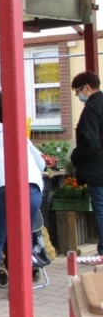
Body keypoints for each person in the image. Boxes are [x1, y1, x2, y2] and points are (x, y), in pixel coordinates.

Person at [0, 119, 46, 301]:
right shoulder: (17, 132)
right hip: (30, 186)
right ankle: (21, 286)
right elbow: (41, 164)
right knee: (23, 237)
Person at [70, 70, 103, 257]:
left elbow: (90, 143)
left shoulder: (91, 108)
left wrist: (75, 157)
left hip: (97, 169)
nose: (78, 96)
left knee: (100, 209)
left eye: (78, 91)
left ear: (88, 88)